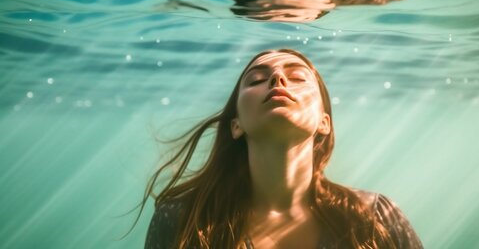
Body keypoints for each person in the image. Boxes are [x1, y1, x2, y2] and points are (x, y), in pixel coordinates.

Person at [142, 48, 423, 248]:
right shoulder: (181, 218)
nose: (278, 78)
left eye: (299, 77)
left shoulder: (376, 215)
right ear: (235, 125)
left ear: (324, 122)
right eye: (256, 80)